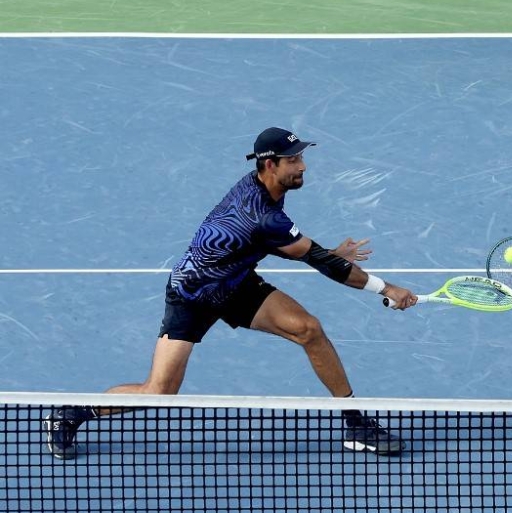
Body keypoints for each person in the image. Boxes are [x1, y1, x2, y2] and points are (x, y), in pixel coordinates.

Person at [44, 127, 420, 459]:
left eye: (301, 157)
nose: (302, 166)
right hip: (192, 293)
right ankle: (72, 412)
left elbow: (285, 246)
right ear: (270, 164)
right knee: (158, 391)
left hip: (236, 284)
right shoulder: (263, 215)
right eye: (294, 160)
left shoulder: (262, 188)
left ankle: (355, 423)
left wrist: (323, 253)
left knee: (308, 329)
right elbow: (318, 262)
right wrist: (385, 288)